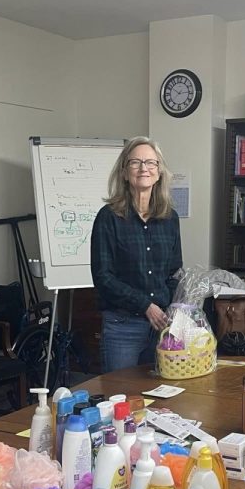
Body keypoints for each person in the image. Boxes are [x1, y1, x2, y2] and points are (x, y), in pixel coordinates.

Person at [90, 136, 182, 373]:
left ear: (159, 172)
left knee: (162, 399)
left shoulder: (170, 218)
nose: (144, 168)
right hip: (123, 327)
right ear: (124, 172)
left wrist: (170, 309)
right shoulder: (108, 217)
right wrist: (146, 305)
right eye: (136, 162)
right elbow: (103, 277)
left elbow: (174, 271)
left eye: (151, 163)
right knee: (122, 398)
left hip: (162, 326)